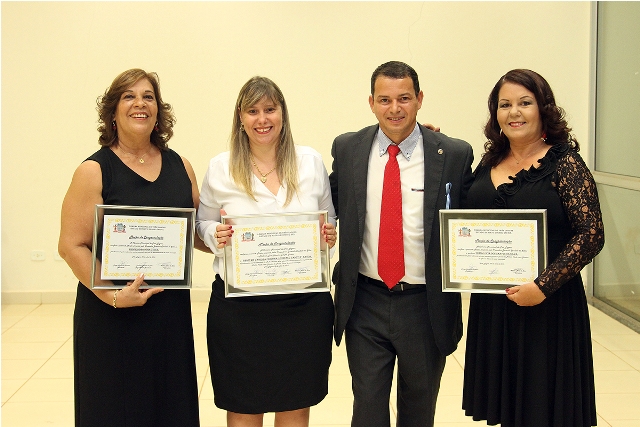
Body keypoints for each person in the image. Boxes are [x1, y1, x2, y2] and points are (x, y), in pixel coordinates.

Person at [329, 60, 475, 427]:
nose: (394, 109)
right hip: (365, 300)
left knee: (418, 408)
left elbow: (476, 216)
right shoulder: (348, 149)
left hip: (424, 305)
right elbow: (323, 201)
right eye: (385, 100)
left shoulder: (453, 154)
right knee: (368, 407)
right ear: (371, 102)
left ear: (420, 99)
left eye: (404, 98)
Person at [58, 69, 207, 427]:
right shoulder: (93, 171)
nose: (140, 103)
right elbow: (70, 245)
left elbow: (196, 233)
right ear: (112, 112)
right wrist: (111, 294)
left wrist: (229, 235)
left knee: (169, 408)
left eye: (148, 96)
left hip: (168, 315)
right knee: (115, 409)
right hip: (112, 316)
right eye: (129, 96)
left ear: (158, 111)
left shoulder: (180, 166)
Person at [461, 69, 605, 427]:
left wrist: (542, 286)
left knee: (545, 407)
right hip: (494, 305)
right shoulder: (489, 162)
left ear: (543, 108)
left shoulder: (564, 162)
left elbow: (591, 233)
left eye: (525, 103)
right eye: (504, 104)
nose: (515, 112)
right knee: (507, 408)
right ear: (495, 114)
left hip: (547, 305)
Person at [196, 76, 337, 427]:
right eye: (253, 111)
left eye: (270, 109)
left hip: (303, 306)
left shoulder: (310, 161)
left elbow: (329, 218)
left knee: (296, 405)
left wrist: (330, 233)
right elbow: (202, 225)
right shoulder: (220, 167)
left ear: (283, 114)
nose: (263, 119)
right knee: (244, 407)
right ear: (240, 118)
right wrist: (216, 233)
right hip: (240, 310)